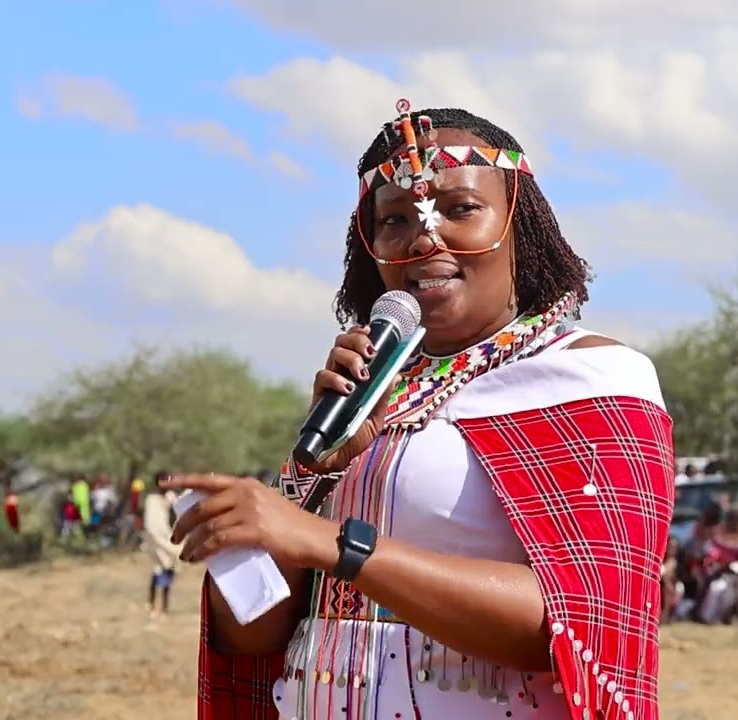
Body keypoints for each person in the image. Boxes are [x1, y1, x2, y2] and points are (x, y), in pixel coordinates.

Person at [162, 100, 675, 719]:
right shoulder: (369, 392)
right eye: (395, 219)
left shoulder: (591, 377)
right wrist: (303, 484)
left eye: (461, 208)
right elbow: (254, 634)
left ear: (521, 223)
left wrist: (335, 545)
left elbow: (582, 623)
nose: (425, 237)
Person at [141, 471, 181, 619]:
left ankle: (164, 608)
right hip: (156, 542)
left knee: (169, 572)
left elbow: (178, 517)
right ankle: (151, 605)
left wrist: (172, 503)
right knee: (157, 571)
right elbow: (151, 524)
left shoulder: (172, 498)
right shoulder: (151, 500)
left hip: (168, 540)